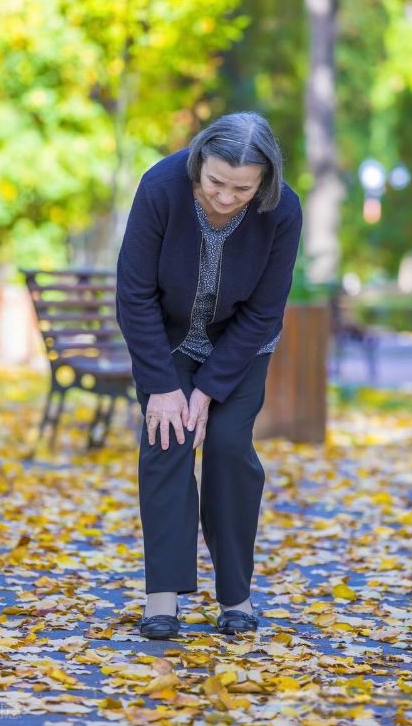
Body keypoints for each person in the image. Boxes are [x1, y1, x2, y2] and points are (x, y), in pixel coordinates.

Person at [116, 111, 302, 639]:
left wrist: (210, 389)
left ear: (264, 181)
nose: (224, 198)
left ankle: (235, 596)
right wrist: (165, 387)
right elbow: (133, 294)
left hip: (240, 343)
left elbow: (265, 311)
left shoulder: (283, 210)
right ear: (199, 164)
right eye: (216, 182)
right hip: (166, 337)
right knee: (166, 438)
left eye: (241, 189)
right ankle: (162, 599)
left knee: (227, 446)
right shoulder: (160, 187)